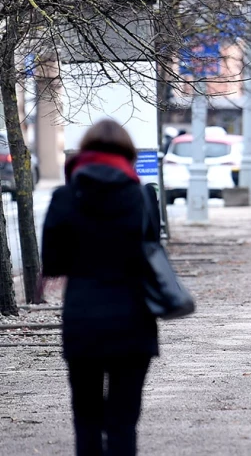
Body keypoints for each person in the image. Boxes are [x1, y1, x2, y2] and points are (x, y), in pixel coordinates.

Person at [41, 119, 160, 456]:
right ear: (129, 154)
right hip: (134, 320)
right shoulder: (141, 197)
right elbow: (153, 253)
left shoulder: (65, 197)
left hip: (84, 321)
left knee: (87, 420)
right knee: (123, 422)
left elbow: (52, 263)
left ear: (86, 154)